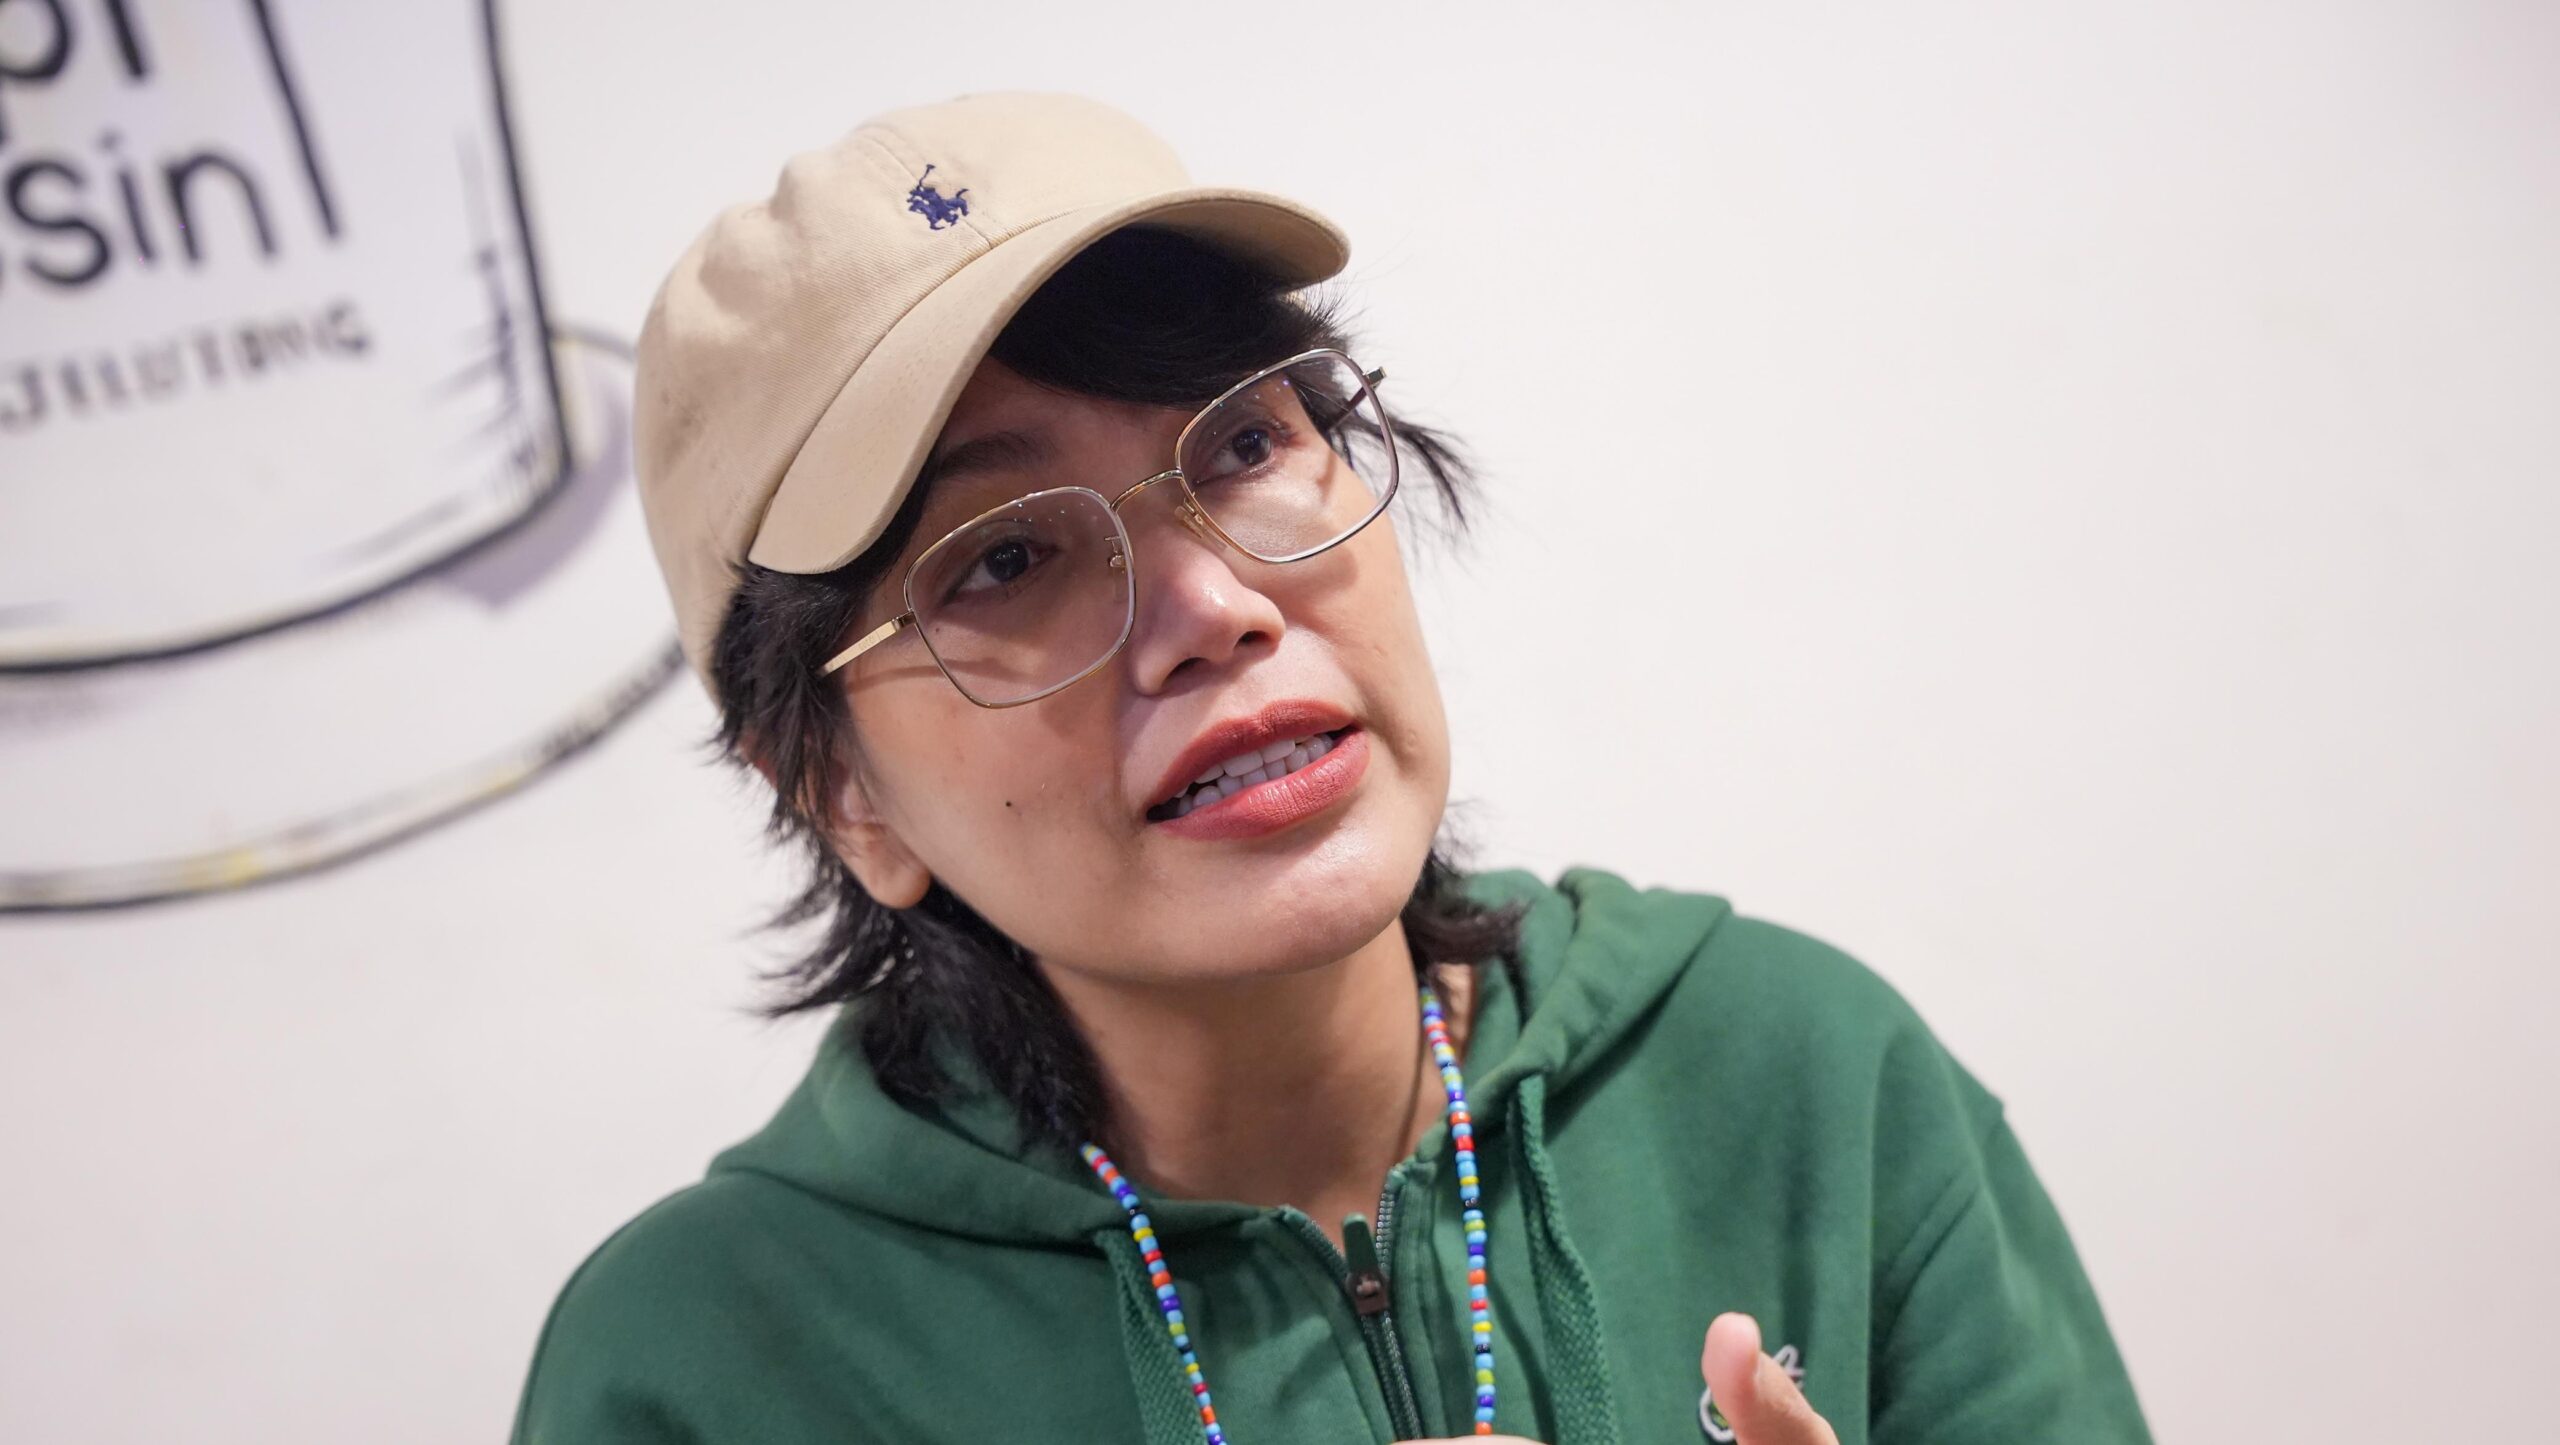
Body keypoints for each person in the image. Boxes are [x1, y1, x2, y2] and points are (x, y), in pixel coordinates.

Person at [510, 92, 2154, 1445]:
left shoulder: (1799, 1081)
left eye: (1243, 443)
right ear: (839, 790)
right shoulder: (709, 1369)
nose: (1215, 606)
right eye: (1005, 558)